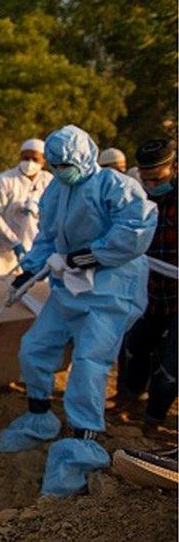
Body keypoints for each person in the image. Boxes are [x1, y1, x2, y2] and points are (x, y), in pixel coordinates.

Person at [0, 125, 157, 497]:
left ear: (84, 157)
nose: (60, 169)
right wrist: (28, 270)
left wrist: (84, 257)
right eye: (55, 165)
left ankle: (84, 441)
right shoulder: (57, 188)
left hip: (110, 291)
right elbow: (48, 237)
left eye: (65, 163)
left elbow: (135, 232)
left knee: (89, 364)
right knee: (34, 348)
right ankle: (39, 417)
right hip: (69, 288)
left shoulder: (116, 187)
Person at [117, 139, 177, 427]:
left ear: (174, 168)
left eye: (159, 178)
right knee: (133, 348)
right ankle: (126, 401)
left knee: (170, 367)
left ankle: (152, 420)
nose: (152, 183)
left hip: (176, 297)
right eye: (146, 178)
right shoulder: (138, 199)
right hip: (148, 291)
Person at [0, 139, 54, 275]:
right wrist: (13, 242)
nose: (30, 163)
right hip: (0, 250)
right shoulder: (4, 180)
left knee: (33, 288)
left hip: (34, 247)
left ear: (44, 160)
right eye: (26, 158)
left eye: (35, 159)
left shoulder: (49, 181)